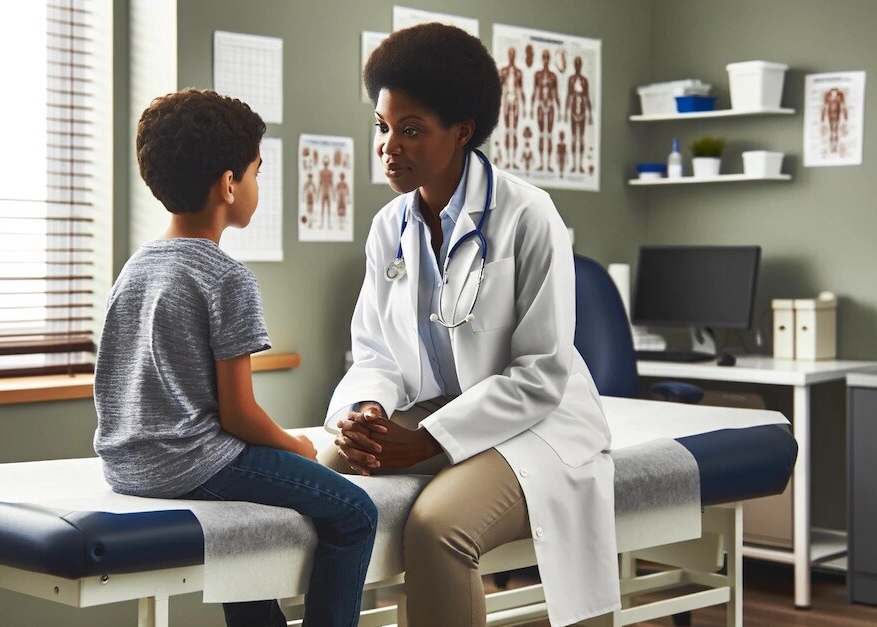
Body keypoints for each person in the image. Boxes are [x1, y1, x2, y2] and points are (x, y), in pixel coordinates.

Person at [319, 24, 619, 627]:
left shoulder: (528, 215)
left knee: (437, 527)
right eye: (382, 126)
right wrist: (370, 413)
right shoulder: (389, 226)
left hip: (536, 425)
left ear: (461, 131)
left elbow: (540, 374)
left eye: (410, 130)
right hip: (440, 408)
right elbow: (374, 351)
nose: (388, 146)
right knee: (322, 479)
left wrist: (429, 437)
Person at [93, 88, 377, 627]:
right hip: (192, 464)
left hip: (125, 465)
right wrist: (299, 446)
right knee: (357, 513)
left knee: (249, 539)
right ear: (229, 184)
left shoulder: (136, 267)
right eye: (257, 172)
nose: (256, 185)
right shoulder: (226, 278)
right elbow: (238, 417)